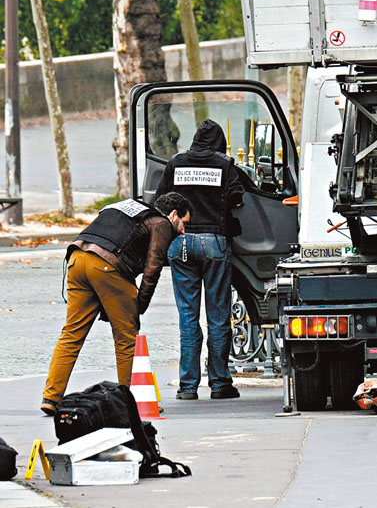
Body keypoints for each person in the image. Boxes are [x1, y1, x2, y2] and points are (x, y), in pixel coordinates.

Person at [41, 193, 193, 415]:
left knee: (71, 333)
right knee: (126, 337)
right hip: (106, 266)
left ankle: (51, 397)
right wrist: (138, 306)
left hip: (76, 258)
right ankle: (127, 402)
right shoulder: (161, 223)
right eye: (184, 223)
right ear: (173, 215)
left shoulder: (128, 208)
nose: (183, 231)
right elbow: (153, 268)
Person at [156, 119, 246, 400]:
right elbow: (239, 200)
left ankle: (188, 386)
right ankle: (220, 384)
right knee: (218, 317)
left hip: (180, 242)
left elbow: (161, 201)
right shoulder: (225, 165)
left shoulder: (176, 163)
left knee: (188, 316)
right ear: (220, 143)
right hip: (214, 243)